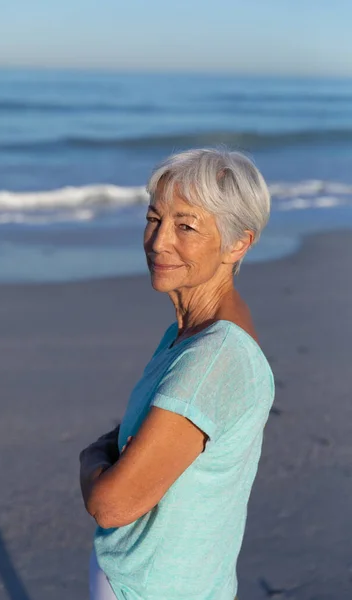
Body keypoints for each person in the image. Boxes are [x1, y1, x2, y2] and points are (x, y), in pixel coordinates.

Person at [80, 148, 275, 600]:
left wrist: (90, 459)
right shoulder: (192, 333)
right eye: (154, 218)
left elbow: (111, 504)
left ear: (238, 243)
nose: (158, 241)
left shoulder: (214, 355)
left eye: (185, 226)